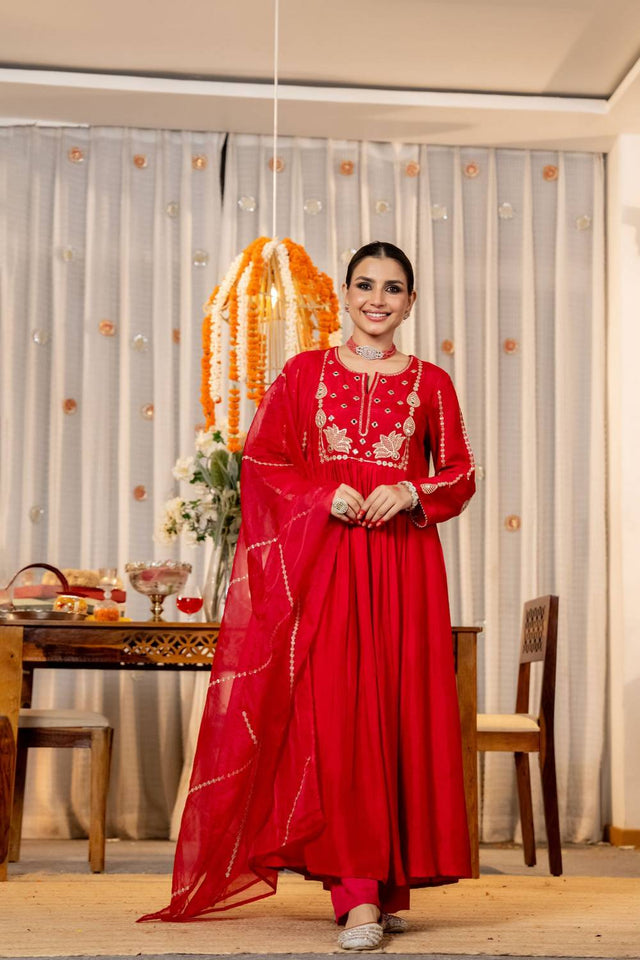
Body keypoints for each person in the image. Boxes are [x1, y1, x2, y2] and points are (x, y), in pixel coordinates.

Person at [141, 241, 476, 951]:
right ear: (345, 295)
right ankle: (354, 895)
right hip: (324, 566)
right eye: (364, 284)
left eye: (393, 288)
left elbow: (459, 474)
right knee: (338, 721)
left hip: (404, 568)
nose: (377, 299)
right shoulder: (303, 374)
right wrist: (326, 493)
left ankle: (386, 884)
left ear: (411, 303)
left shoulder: (432, 384)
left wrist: (409, 488)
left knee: (393, 713)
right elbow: (263, 462)